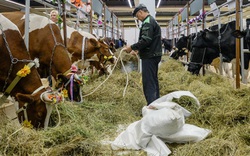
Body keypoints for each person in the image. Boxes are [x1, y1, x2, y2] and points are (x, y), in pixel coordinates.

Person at [124, 4, 162, 105]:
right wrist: (138, 50)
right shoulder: (151, 21)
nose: (138, 18)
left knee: (148, 82)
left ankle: (151, 106)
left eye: (137, 16)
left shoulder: (147, 22)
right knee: (153, 80)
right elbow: (149, 41)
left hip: (150, 56)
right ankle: (156, 102)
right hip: (153, 54)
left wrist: (131, 47)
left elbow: (146, 40)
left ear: (141, 12)